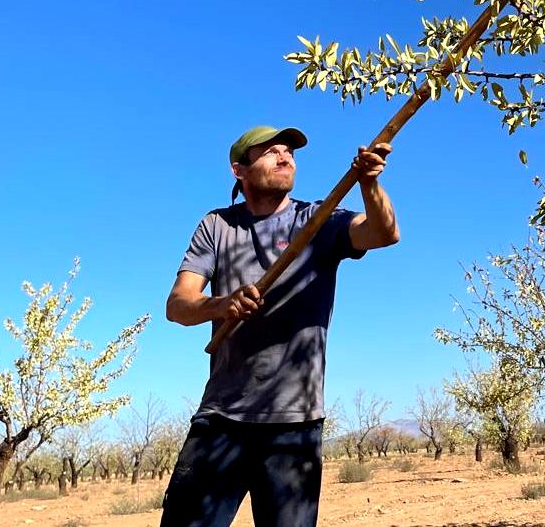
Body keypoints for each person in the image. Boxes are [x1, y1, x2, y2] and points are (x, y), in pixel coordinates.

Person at [161, 125, 398, 527]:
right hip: (222, 418)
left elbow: (383, 232)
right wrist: (222, 304)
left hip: (295, 425)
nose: (285, 157)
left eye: (288, 151)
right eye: (270, 152)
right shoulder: (217, 226)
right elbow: (178, 305)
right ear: (239, 170)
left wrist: (370, 185)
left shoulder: (319, 219)